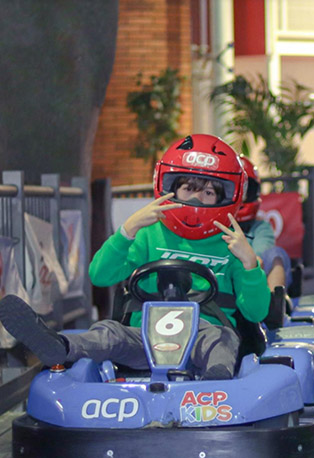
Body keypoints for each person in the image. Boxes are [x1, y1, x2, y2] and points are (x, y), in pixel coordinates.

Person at [0, 134, 270, 380]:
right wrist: (127, 231)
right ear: (170, 188)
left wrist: (249, 265)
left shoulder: (231, 245)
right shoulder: (149, 234)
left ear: (226, 198)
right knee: (109, 332)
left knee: (222, 338)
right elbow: (100, 275)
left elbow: (256, 312)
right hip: (144, 337)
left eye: (208, 192)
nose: (196, 199)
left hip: (204, 337)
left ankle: (216, 386)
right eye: (188, 188)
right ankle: (59, 347)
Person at [237, 155, 293, 292]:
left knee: (275, 254)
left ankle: (276, 302)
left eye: (244, 191)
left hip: (254, 283)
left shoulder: (260, 227)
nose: (239, 196)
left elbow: (259, 261)